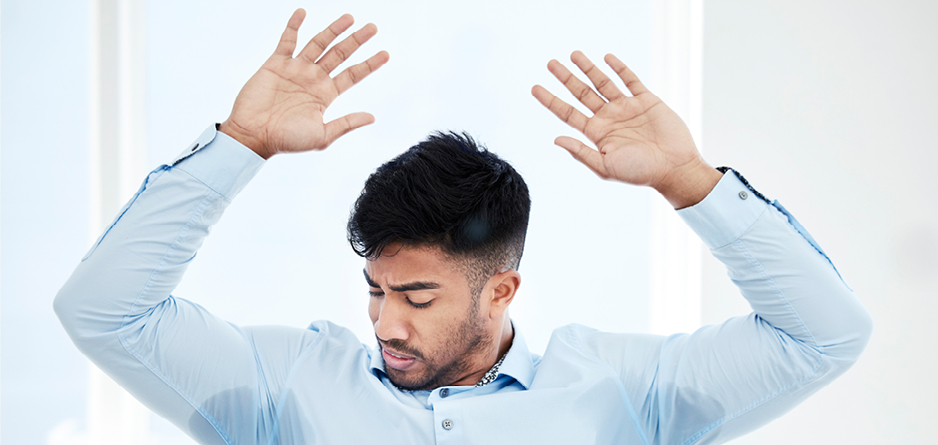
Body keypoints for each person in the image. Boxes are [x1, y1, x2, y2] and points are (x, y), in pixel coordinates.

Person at [55, 9, 872, 445]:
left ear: (501, 288)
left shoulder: (630, 396)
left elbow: (825, 336)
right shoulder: (283, 386)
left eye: (415, 294)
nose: (384, 321)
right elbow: (101, 310)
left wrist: (691, 184)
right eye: (374, 290)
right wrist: (236, 149)